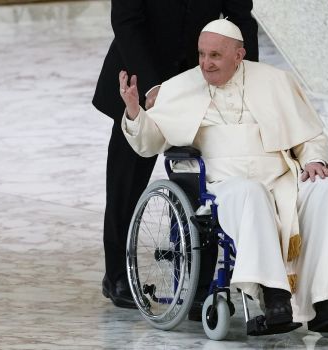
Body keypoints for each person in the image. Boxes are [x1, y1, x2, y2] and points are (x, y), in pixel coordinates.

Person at [118, 18, 328, 333]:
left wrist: (315, 160)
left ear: (239, 55)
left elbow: (310, 136)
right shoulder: (179, 88)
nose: (206, 64)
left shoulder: (275, 82)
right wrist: (134, 113)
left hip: (282, 178)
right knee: (252, 193)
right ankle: (273, 295)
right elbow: (150, 142)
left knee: (327, 186)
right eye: (201, 54)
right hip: (223, 187)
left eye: (215, 56)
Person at [93, 1, 259, 310]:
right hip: (140, 79)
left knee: (199, 183)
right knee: (125, 185)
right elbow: (127, 21)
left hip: (200, 82)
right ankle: (117, 275)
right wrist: (154, 86)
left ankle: (197, 283)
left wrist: (251, 82)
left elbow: (240, 18)